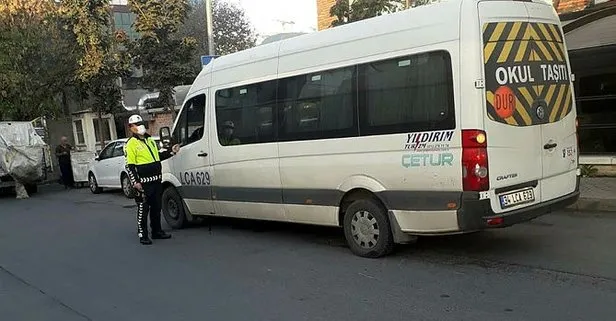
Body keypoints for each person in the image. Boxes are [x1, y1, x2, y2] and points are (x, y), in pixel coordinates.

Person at [124, 115, 181, 245]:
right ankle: (142, 234)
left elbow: (157, 157)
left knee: (156, 208)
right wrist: (135, 182)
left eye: (141, 123)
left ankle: (157, 231)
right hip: (143, 183)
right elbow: (130, 165)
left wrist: (171, 152)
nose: (140, 126)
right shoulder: (131, 144)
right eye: (137, 124)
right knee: (143, 209)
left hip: (156, 180)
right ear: (131, 128)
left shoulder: (150, 141)